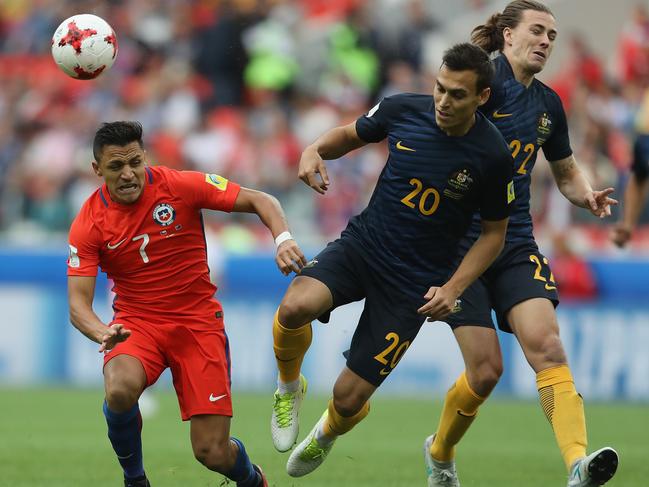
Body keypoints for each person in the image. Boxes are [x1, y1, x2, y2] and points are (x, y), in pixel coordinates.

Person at [269, 43, 515, 478]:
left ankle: (328, 431)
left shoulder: (493, 156)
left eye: (457, 94)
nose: (443, 101)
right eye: (440, 89)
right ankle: (289, 388)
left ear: (481, 98)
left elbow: (494, 235)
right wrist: (314, 150)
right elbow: (349, 134)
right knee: (294, 307)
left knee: (348, 398)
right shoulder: (404, 109)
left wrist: (454, 288)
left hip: (413, 285)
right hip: (364, 247)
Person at [424, 2, 619, 487]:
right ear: (507, 36)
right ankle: (440, 451)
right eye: (537, 31)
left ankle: (577, 463)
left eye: (552, 35)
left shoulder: (548, 105)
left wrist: (587, 194)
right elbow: (434, 142)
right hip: (461, 246)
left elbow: (565, 169)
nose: (546, 41)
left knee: (548, 347)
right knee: (486, 372)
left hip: (512, 240)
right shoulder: (478, 86)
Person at [67, 121, 306, 487]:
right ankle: (135, 480)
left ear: (145, 155)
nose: (129, 174)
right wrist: (103, 331)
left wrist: (283, 239)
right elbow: (78, 306)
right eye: (116, 167)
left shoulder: (179, 186)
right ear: (97, 170)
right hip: (137, 324)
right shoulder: (88, 222)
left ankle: (252, 480)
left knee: (212, 452)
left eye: (135, 161)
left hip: (197, 325)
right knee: (118, 389)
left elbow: (261, 199)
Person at [611, 89, 649, 247]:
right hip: (644, 132)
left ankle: (627, 224)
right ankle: (626, 225)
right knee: (638, 177)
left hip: (644, 131)